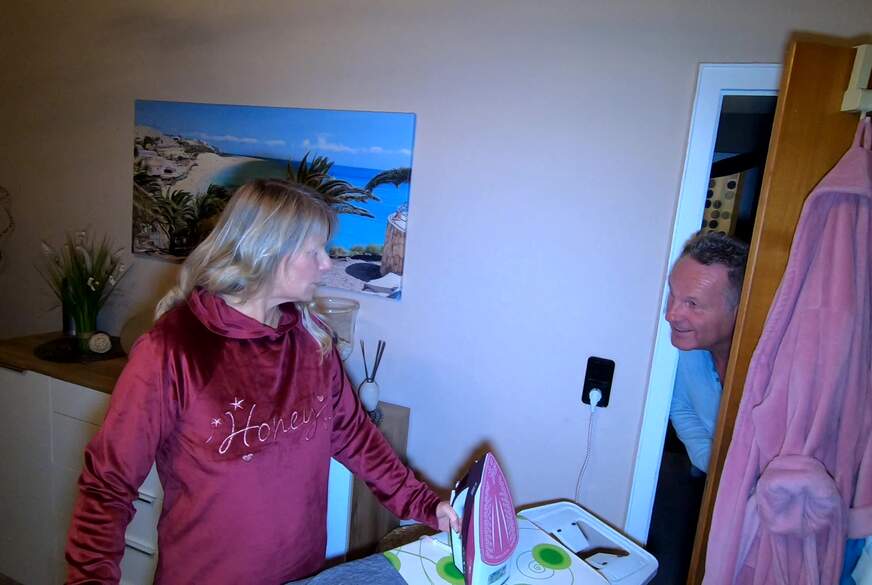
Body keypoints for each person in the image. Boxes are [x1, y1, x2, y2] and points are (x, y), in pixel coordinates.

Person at [65, 178, 459, 584]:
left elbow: (357, 437)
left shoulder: (311, 340)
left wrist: (424, 504)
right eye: (314, 251)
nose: (327, 264)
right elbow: (107, 486)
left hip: (301, 574)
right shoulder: (173, 350)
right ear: (267, 252)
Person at [665, 231, 749, 474]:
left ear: (739, 311)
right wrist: (714, 468)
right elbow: (681, 405)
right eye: (673, 295)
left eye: (692, 304)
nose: (671, 315)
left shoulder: (775, 372)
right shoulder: (689, 346)